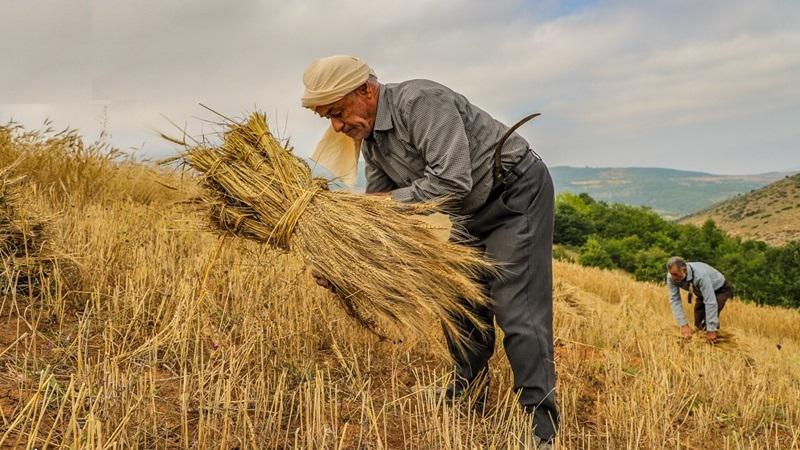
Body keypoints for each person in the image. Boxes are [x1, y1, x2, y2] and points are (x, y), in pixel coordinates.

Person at [301, 55, 558, 444]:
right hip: (464, 211)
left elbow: (451, 180)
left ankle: (540, 424)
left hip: (513, 194)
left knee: (516, 307)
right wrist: (343, 253)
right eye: (328, 119)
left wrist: (380, 206)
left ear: (365, 91)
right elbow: (382, 211)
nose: (337, 126)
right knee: (458, 300)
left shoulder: (420, 102)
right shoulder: (373, 142)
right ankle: (464, 391)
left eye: (339, 112)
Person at [666, 256, 734, 343]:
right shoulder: (671, 277)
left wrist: (711, 330)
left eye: (675, 274)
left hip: (719, 289)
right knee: (699, 325)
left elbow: (710, 302)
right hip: (701, 292)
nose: (673, 277)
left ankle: (716, 345)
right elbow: (674, 300)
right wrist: (683, 324)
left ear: (684, 270)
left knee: (707, 323)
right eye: (671, 274)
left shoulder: (700, 276)